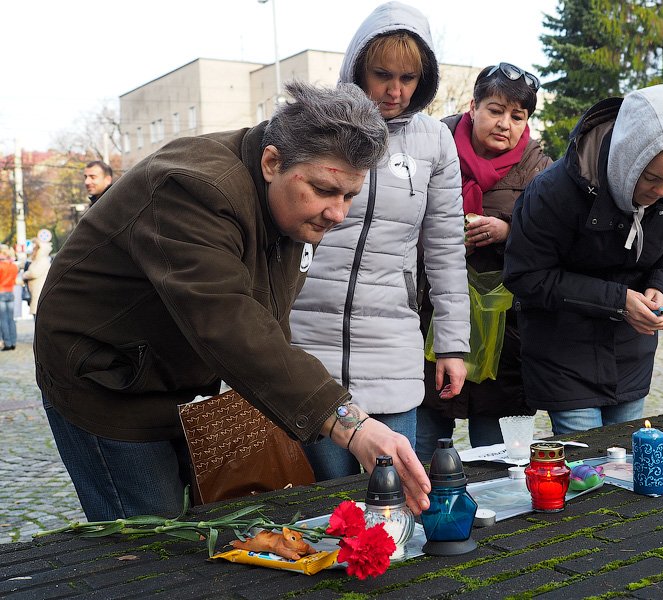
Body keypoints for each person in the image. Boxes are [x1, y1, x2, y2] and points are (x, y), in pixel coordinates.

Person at [34, 80, 432, 522]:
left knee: (207, 527)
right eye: (323, 190)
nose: (338, 213)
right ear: (271, 161)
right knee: (149, 540)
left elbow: (267, 321)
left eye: (349, 196)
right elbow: (228, 322)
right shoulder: (193, 187)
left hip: (175, 377)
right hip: (107, 380)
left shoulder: (291, 206)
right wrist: (348, 421)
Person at [290, 1, 469, 479]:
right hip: (308, 342)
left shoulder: (435, 141)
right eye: (382, 74)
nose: (394, 91)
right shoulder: (317, 126)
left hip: (392, 345)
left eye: (408, 79)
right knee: (320, 502)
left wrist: (453, 344)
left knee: (388, 496)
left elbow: (447, 247)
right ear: (357, 67)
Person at [503, 84, 663, 435]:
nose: (662, 191)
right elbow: (526, 275)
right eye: (652, 178)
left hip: (631, 351)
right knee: (592, 464)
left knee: (627, 457)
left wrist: (661, 286)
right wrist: (618, 301)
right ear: (628, 157)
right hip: (562, 350)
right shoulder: (553, 192)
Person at [415, 63, 553, 461]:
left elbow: (552, 242)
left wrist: (509, 231)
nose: (504, 124)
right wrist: (442, 235)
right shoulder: (432, 148)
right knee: (425, 443)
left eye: (517, 116)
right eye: (495, 110)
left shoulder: (538, 169)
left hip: (505, 331)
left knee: (499, 452)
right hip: (432, 318)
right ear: (473, 106)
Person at [21, 238, 52, 316]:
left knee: (38, 316)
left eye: (35, 249)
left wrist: (24, 275)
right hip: (36, 291)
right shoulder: (38, 260)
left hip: (39, 292)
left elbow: (34, 273)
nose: (33, 251)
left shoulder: (42, 260)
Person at [0, 246, 18, 351]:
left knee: (3, 320)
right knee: (11, 319)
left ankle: (7, 342)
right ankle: (13, 342)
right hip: (10, 292)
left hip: (1, 292)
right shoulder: (13, 266)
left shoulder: (1, 266)